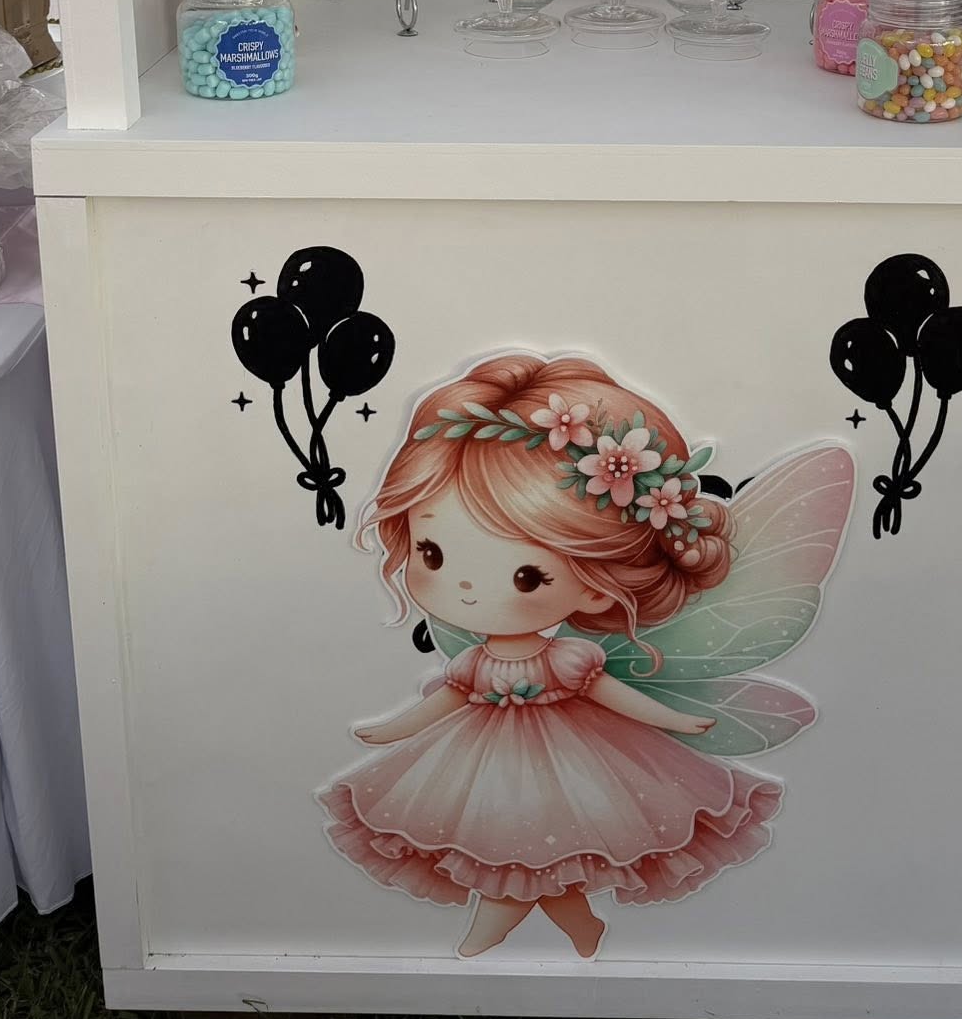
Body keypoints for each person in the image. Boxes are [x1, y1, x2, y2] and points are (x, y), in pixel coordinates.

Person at [318, 354, 802, 959]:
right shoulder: (476, 666)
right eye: (432, 553)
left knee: (537, 852)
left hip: (572, 764)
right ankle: (580, 929)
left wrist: (675, 721)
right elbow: (442, 702)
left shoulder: (566, 660)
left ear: (599, 584)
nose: (466, 590)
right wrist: (389, 730)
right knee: (535, 856)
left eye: (527, 573)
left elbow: (611, 696)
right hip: (478, 763)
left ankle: (506, 928)